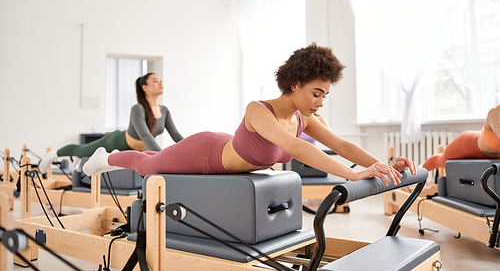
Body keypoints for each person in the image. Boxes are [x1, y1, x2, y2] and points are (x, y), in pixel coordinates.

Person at [83, 43, 416, 186]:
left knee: (155, 159)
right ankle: (106, 158)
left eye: (325, 96)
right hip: (206, 153)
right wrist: (354, 175)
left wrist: (382, 164)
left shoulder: (304, 118)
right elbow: (299, 149)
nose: (320, 102)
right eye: (316, 93)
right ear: (295, 84)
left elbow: (341, 144)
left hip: (228, 155)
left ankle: (110, 157)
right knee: (150, 164)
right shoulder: (258, 111)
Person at [38, 73, 183, 174]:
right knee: (81, 150)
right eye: (155, 81)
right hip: (116, 142)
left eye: (161, 80)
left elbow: (176, 135)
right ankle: (52, 155)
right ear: (145, 87)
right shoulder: (137, 109)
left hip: (135, 149)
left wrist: (189, 148)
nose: (160, 83)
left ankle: (78, 158)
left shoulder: (164, 111)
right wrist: (161, 155)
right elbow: (145, 135)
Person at [422, 105, 500, 171]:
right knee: (441, 160)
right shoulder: (494, 113)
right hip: (467, 143)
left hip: (493, 155)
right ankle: (417, 173)